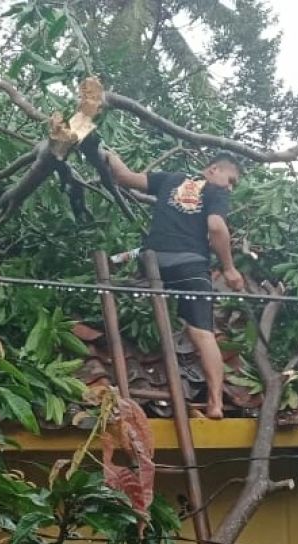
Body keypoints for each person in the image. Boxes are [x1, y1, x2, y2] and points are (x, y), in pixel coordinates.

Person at [101, 149, 249, 419]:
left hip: (153, 263)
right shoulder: (216, 192)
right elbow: (216, 227)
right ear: (214, 169)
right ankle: (215, 403)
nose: (230, 187)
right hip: (190, 265)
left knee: (127, 288)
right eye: (231, 180)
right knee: (203, 334)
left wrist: (109, 154)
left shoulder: (171, 179)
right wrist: (229, 268)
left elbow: (123, 177)